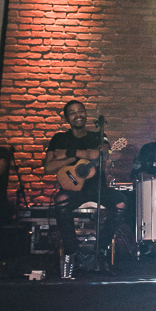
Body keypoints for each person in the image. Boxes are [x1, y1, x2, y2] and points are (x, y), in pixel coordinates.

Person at [43, 101, 126, 279]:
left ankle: (100, 251)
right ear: (67, 118)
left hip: (97, 188)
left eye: (80, 111)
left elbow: (100, 154)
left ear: (86, 114)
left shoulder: (98, 135)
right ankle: (75, 253)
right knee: (61, 201)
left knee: (120, 203)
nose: (77, 115)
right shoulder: (58, 138)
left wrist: (70, 152)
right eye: (72, 113)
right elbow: (49, 168)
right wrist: (76, 157)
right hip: (73, 189)